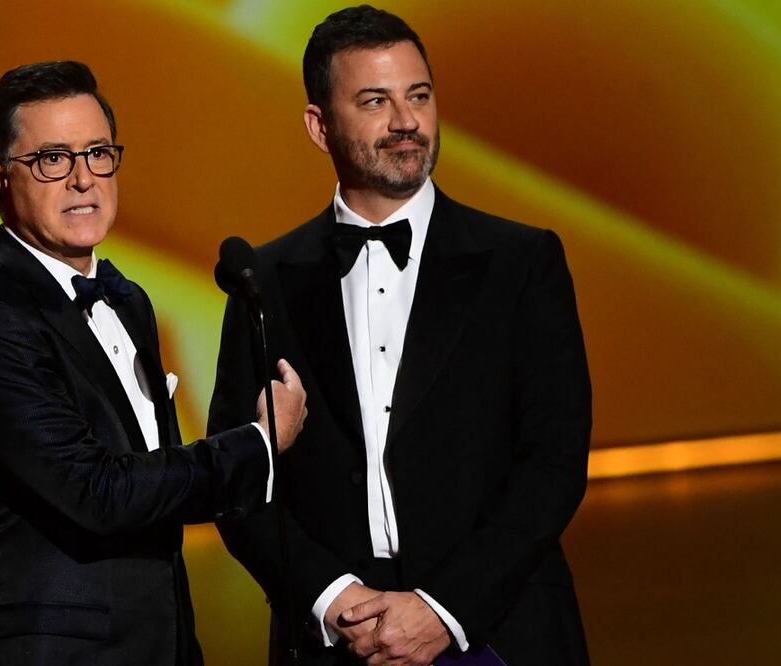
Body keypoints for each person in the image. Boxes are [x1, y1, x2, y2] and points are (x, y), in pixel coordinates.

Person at [208, 6, 591, 666]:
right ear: (319, 126)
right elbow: (236, 478)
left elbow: (553, 463)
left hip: (496, 625)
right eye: (374, 101)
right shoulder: (262, 279)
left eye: (418, 96)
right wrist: (334, 600)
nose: (406, 121)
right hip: (336, 641)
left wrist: (442, 610)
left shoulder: (521, 262)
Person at [0, 60, 306, 666]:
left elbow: (153, 493)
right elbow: (97, 492)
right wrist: (258, 444)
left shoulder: (127, 300)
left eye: (98, 153)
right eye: (52, 159)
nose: (83, 179)